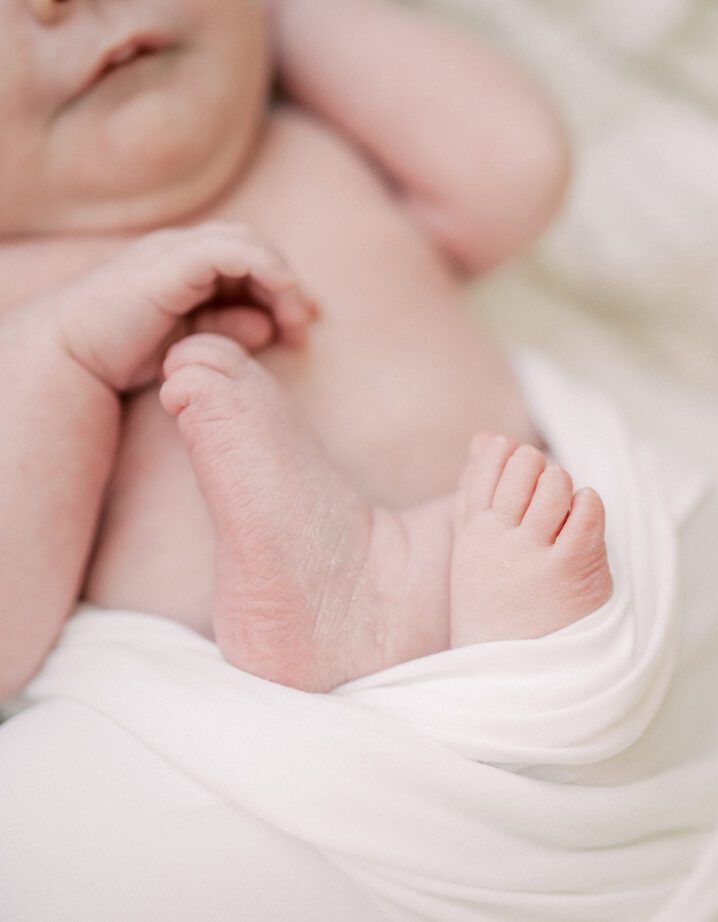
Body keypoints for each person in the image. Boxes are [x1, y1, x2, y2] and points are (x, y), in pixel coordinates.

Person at [0, 0, 611, 695]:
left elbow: (514, 166)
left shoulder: (313, 135)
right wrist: (66, 348)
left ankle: (434, 607)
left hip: (551, 611)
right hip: (243, 742)